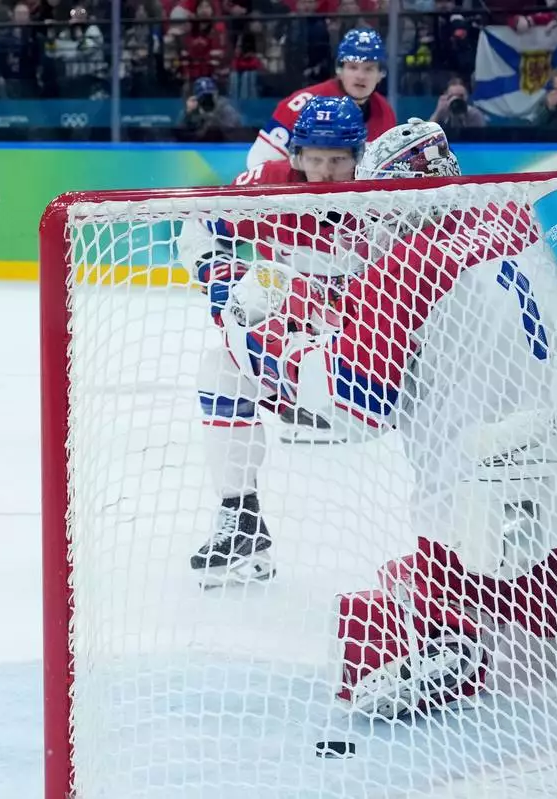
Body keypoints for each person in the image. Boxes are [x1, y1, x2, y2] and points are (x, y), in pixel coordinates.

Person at [177, 95, 368, 587]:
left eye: (338, 160)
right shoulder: (268, 185)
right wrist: (217, 274)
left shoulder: (383, 200)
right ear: (296, 154)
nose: (325, 173)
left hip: (372, 356)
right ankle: (242, 519)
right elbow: (199, 226)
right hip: (293, 346)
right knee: (220, 369)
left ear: (358, 156)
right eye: (315, 159)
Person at [245, 26, 397, 169]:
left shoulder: (385, 112)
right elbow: (259, 162)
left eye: (369, 69)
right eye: (352, 67)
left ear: (381, 74)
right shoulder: (302, 106)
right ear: (339, 70)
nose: (360, 76)